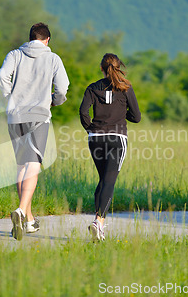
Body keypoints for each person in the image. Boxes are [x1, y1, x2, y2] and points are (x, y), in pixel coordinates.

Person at [0, 22, 69, 240]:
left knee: (22, 165)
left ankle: (28, 220)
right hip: (39, 117)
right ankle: (20, 210)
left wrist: (11, 97)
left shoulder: (15, 54)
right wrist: (55, 101)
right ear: (47, 40)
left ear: (30, 38)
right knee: (33, 165)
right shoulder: (53, 58)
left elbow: (2, 76)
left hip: (15, 116)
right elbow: (63, 87)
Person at [79, 53, 141, 242]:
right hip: (117, 139)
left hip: (96, 138)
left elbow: (83, 112)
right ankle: (99, 222)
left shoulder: (92, 87)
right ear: (118, 66)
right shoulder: (126, 87)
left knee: (102, 180)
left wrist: (91, 128)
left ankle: (98, 223)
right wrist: (122, 115)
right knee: (109, 181)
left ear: (101, 68)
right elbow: (137, 117)